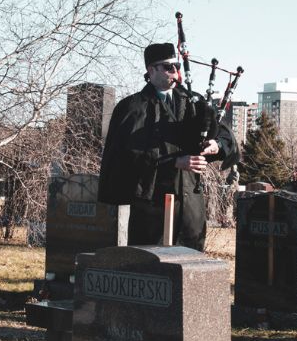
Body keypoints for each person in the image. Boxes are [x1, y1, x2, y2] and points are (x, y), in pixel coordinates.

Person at [98, 42, 239, 251]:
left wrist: (215, 146)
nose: (175, 72)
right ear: (151, 69)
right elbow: (122, 159)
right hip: (151, 212)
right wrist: (174, 162)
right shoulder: (132, 108)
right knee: (151, 273)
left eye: (178, 67)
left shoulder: (194, 103)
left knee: (190, 272)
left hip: (190, 210)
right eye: (168, 67)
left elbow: (225, 136)